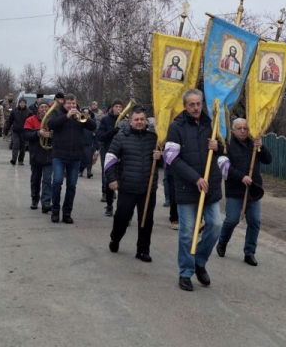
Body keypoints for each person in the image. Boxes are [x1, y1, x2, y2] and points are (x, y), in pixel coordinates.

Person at [165, 88, 222, 291]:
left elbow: (224, 150)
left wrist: (219, 147)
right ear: (185, 106)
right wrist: (195, 177)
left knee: (215, 225)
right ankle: (186, 273)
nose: (196, 107)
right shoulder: (176, 127)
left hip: (210, 186)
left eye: (199, 103)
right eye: (192, 104)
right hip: (187, 187)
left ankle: (199, 261)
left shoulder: (211, 123)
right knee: (188, 232)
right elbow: (171, 158)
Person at [105, 106, 160, 261]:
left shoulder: (154, 138)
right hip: (127, 187)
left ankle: (143, 250)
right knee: (122, 217)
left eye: (142, 119)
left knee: (146, 221)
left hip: (148, 189)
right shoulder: (121, 137)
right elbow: (110, 159)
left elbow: (165, 162)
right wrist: (112, 179)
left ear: (146, 120)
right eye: (136, 119)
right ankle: (115, 238)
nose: (139, 122)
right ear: (130, 121)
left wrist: (159, 156)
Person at [215, 118, 272, 266]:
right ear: (233, 130)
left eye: (245, 128)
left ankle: (249, 252)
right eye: (239, 128)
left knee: (254, 221)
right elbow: (225, 167)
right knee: (232, 220)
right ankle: (222, 241)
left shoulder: (254, 144)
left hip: (253, 190)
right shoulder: (227, 146)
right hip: (235, 190)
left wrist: (262, 147)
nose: (242, 131)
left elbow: (268, 160)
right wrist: (241, 177)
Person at [47, 93, 96, 223]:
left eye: (73, 103)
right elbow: (50, 124)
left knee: (72, 186)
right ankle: (55, 211)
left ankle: (67, 213)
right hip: (59, 154)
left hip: (75, 156)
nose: (71, 106)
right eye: (68, 103)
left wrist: (82, 117)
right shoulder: (57, 112)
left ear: (76, 103)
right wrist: (66, 117)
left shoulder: (80, 115)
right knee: (57, 182)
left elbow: (93, 126)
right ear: (64, 104)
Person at [24, 100, 53, 212]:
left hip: (49, 154)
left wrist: (51, 135)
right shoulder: (30, 120)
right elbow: (26, 135)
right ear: (38, 108)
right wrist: (38, 133)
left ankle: (46, 202)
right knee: (35, 179)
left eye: (46, 107)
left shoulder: (52, 120)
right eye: (42, 107)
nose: (44, 109)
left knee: (47, 179)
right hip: (35, 154)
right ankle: (34, 199)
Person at [97, 99, 124, 213]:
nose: (118, 108)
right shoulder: (105, 119)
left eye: (120, 106)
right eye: (116, 106)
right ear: (112, 108)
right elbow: (101, 136)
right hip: (108, 150)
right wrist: (113, 131)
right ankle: (109, 204)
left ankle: (122, 208)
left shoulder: (125, 120)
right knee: (109, 177)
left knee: (122, 177)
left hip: (123, 152)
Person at [5, 97, 31, 165]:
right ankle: (14, 159)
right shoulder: (14, 111)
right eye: (21, 103)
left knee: (23, 147)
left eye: (23, 103)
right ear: (19, 103)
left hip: (24, 132)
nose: (22, 104)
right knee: (15, 146)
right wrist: (6, 129)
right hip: (16, 131)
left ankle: (21, 160)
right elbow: (10, 121)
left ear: (25, 104)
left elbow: (31, 122)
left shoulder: (29, 112)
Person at [79, 107, 99, 178]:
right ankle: (81, 171)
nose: (86, 114)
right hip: (82, 143)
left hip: (90, 143)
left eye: (87, 113)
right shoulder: (80, 121)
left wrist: (97, 147)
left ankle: (89, 172)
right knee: (82, 159)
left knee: (89, 159)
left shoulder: (92, 122)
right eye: (85, 113)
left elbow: (96, 134)